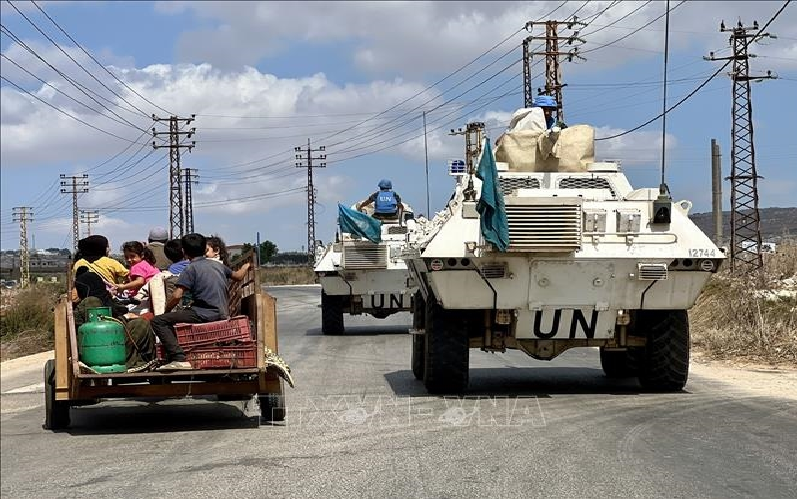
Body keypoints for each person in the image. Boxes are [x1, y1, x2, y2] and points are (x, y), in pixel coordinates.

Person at [150, 233, 251, 370]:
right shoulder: (218, 265)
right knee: (179, 315)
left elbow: (177, 296)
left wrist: (166, 311)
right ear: (204, 250)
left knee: (158, 321)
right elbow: (238, 276)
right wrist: (246, 266)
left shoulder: (190, 268)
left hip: (204, 314)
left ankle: (179, 358)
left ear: (184, 252)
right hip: (222, 312)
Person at [72, 266, 155, 371]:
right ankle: (128, 364)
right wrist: (125, 317)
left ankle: (140, 361)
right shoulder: (90, 302)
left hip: (114, 341)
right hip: (98, 347)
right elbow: (102, 328)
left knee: (141, 323)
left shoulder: (107, 299)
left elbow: (119, 310)